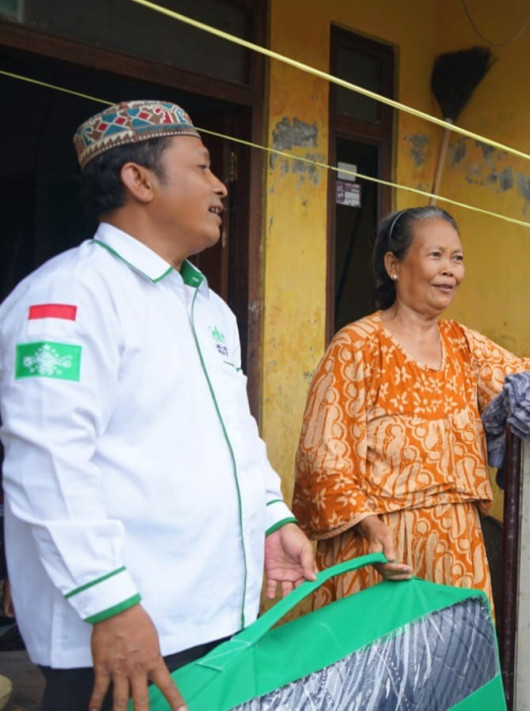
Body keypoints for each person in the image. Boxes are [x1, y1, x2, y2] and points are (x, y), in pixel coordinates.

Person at [0, 100, 317, 711]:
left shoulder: (207, 307)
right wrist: (110, 603)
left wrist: (272, 518)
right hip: (121, 627)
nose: (221, 184)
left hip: (211, 617)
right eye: (201, 167)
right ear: (139, 180)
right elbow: (47, 468)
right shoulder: (69, 298)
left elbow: (236, 434)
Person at [292, 206, 530, 609]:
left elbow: (520, 376)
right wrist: (368, 525)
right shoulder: (356, 347)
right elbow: (323, 454)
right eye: (436, 256)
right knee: (385, 665)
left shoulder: (463, 345)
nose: (450, 269)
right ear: (394, 265)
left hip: (458, 545)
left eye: (457, 258)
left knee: (454, 664)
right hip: (381, 549)